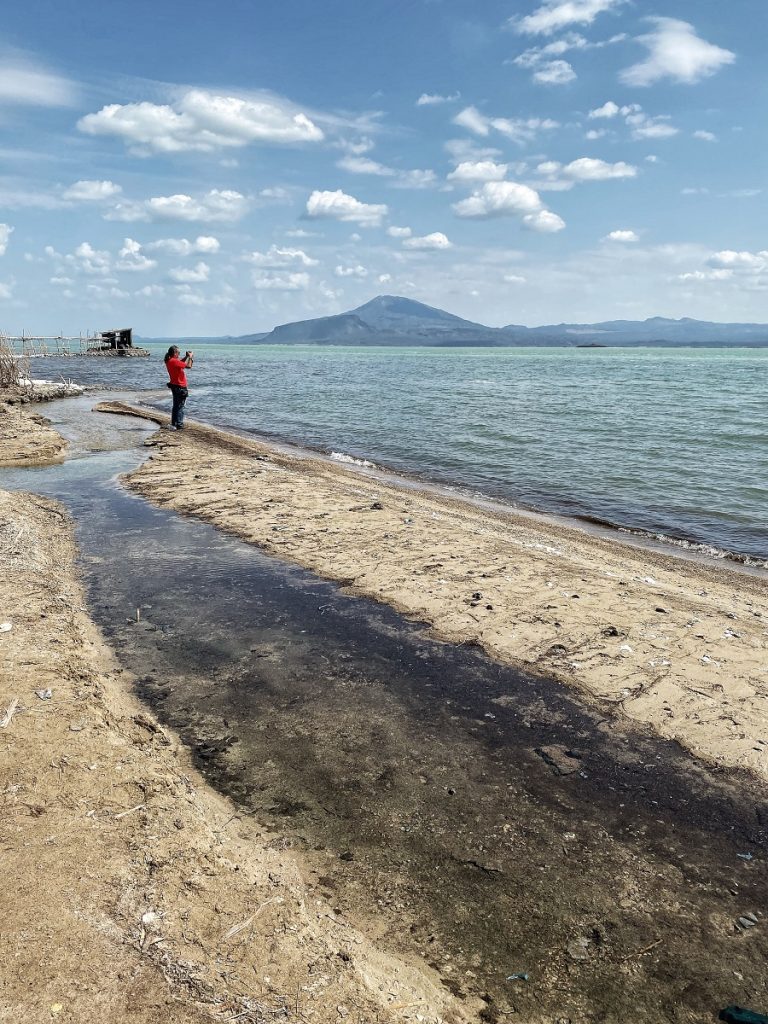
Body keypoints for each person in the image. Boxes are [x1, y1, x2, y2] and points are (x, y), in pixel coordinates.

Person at [163, 345, 194, 430]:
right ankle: (179, 424)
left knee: (176, 405)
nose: (179, 354)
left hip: (174, 386)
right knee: (180, 406)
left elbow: (181, 362)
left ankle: (174, 423)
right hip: (180, 386)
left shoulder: (170, 361)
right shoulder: (174, 361)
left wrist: (187, 357)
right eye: (178, 352)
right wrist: (190, 357)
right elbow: (189, 366)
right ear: (175, 353)